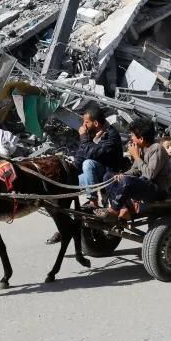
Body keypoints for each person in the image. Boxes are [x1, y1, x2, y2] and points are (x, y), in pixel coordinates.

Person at [48, 105, 124, 245]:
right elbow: (81, 156)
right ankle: (65, 225)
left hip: (108, 174)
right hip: (93, 176)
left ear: (95, 123)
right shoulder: (91, 135)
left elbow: (96, 154)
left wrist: (84, 138)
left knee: (88, 164)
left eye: (86, 122)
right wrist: (70, 171)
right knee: (71, 182)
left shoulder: (111, 135)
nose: (83, 125)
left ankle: (93, 202)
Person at [98, 118, 171, 221]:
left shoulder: (156, 149)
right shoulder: (142, 147)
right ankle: (123, 209)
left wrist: (136, 156)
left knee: (127, 181)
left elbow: (150, 175)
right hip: (144, 184)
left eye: (132, 135)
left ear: (141, 138)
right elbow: (135, 170)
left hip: (158, 190)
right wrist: (122, 175)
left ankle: (114, 209)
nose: (131, 138)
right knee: (109, 176)